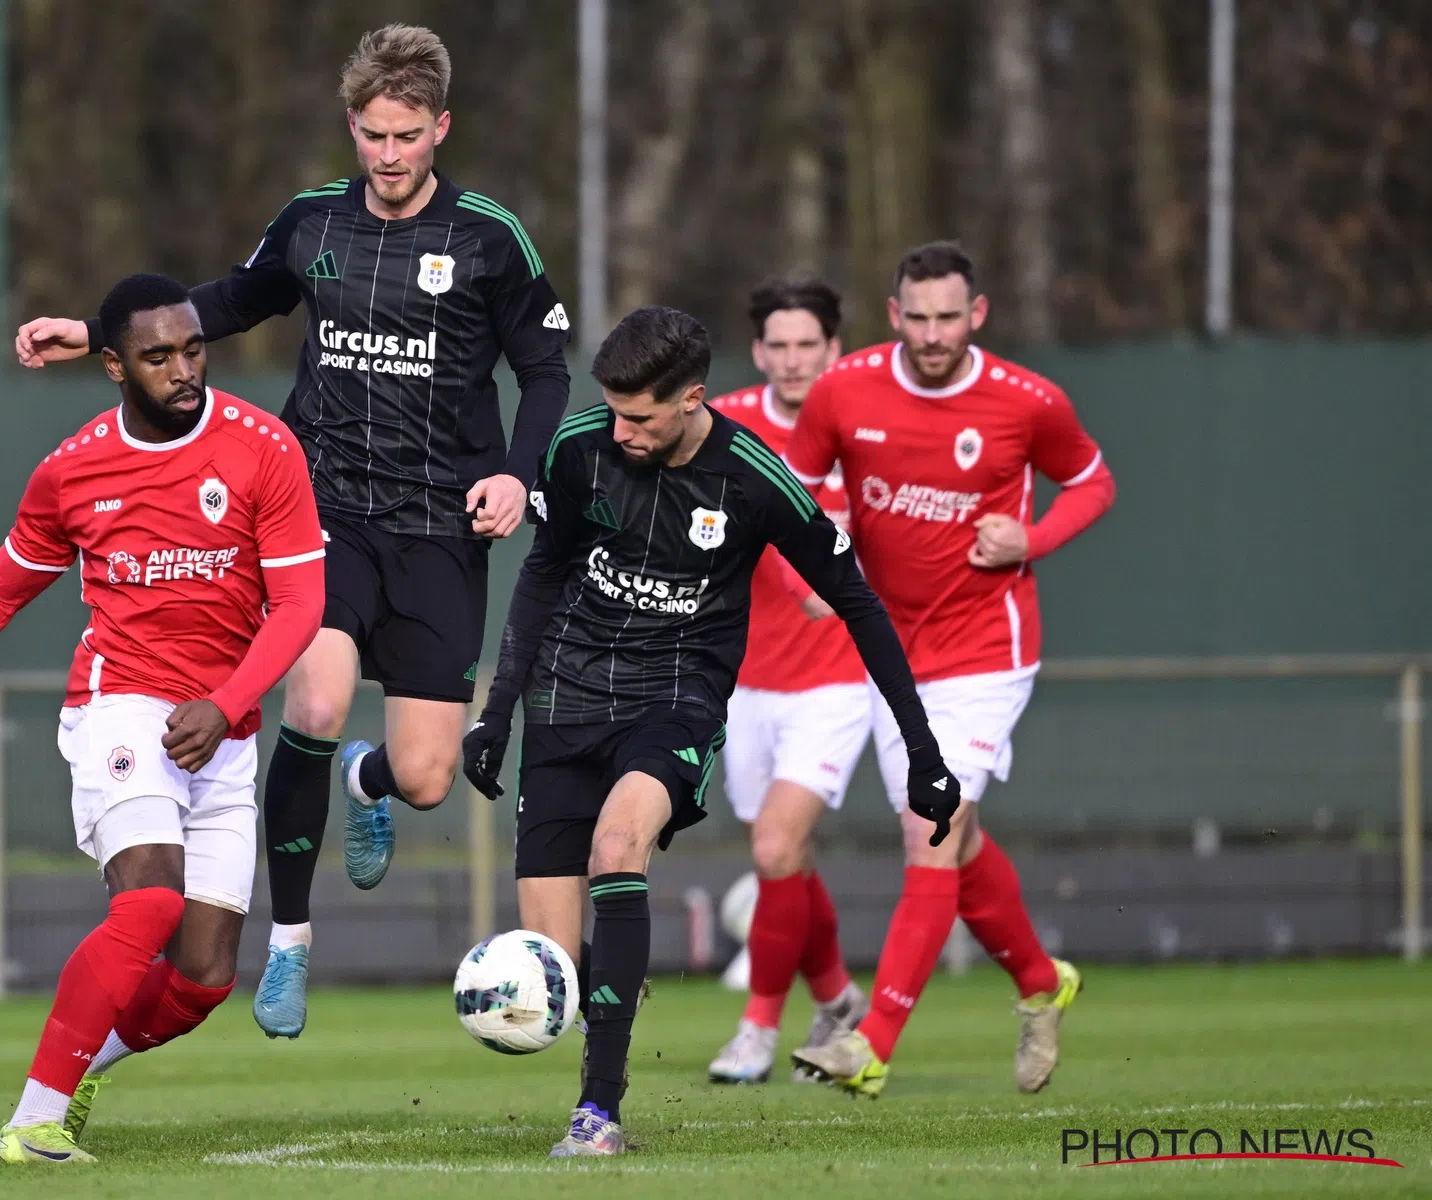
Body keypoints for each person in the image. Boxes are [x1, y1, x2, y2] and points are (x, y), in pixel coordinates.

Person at [12, 25, 570, 1041]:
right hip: (325, 514)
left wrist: (514, 475)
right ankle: (292, 945)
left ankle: (369, 780)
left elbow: (545, 373)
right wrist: (93, 332)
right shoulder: (314, 223)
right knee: (310, 695)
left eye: (407, 136)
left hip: (443, 530)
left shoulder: (491, 238)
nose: (389, 155)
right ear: (351, 127)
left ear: (439, 128)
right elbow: (224, 303)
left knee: (430, 778)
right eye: (372, 135)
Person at [0, 275, 325, 1165]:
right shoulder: (73, 468)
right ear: (113, 366)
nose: (183, 369)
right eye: (158, 357)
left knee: (203, 979)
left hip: (222, 727)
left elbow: (300, 604)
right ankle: (34, 1121)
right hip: (120, 704)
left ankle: (81, 1066)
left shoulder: (263, 447)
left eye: (193, 349)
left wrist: (230, 704)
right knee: (152, 899)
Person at [461, 306, 959, 1157]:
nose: (622, 431)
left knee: (618, 846)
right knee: (553, 963)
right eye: (613, 411)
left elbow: (860, 606)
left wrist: (923, 753)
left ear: (692, 398)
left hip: (675, 702)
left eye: (642, 417)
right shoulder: (580, 448)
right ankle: (614, 991)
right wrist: (497, 712)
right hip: (563, 701)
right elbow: (541, 577)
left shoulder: (754, 479)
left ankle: (599, 1115)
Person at [786, 242, 1115, 1098]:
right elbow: (793, 490)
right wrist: (818, 570)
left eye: (949, 317)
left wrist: (1031, 539)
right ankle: (1043, 983)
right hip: (890, 654)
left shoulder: (1027, 402)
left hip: (985, 651)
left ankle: (874, 1043)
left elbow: (1091, 482)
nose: (933, 334)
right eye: (917, 317)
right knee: (956, 840)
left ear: (979, 314)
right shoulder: (842, 389)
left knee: (928, 830)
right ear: (894, 315)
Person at [704, 278, 868, 1085]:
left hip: (836, 681)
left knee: (774, 845)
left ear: (833, 349)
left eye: (811, 344)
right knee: (787, 860)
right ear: (761, 351)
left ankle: (757, 1031)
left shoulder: (865, 424)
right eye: (781, 346)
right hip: (744, 683)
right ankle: (838, 996)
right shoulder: (727, 427)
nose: (796, 359)